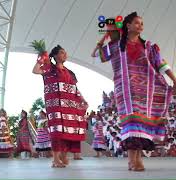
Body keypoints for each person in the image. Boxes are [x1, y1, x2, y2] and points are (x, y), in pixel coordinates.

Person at [92, 12, 176, 171]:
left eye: (142, 23)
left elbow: (161, 64)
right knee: (131, 121)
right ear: (128, 25)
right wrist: (106, 37)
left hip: (146, 91)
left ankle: (137, 158)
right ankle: (132, 160)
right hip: (126, 91)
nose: (140, 26)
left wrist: (174, 79)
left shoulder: (149, 46)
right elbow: (96, 55)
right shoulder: (116, 46)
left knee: (140, 123)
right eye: (136, 22)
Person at [32, 45, 89, 168]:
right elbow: (36, 70)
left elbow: (75, 89)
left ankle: (64, 155)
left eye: (65, 53)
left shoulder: (70, 72)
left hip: (70, 105)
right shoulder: (49, 68)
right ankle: (55, 159)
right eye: (62, 53)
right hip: (55, 105)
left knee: (68, 130)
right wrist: (40, 61)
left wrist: (83, 100)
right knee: (57, 131)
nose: (65, 55)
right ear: (55, 56)